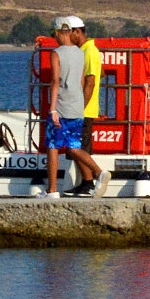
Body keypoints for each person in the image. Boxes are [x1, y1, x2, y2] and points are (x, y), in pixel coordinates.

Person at [47, 16, 103, 196]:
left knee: (53, 145)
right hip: (77, 108)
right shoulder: (81, 53)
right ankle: (95, 176)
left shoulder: (60, 53)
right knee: (73, 147)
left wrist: (53, 108)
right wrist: (79, 105)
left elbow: (56, 81)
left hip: (65, 107)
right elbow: (86, 80)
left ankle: (53, 190)